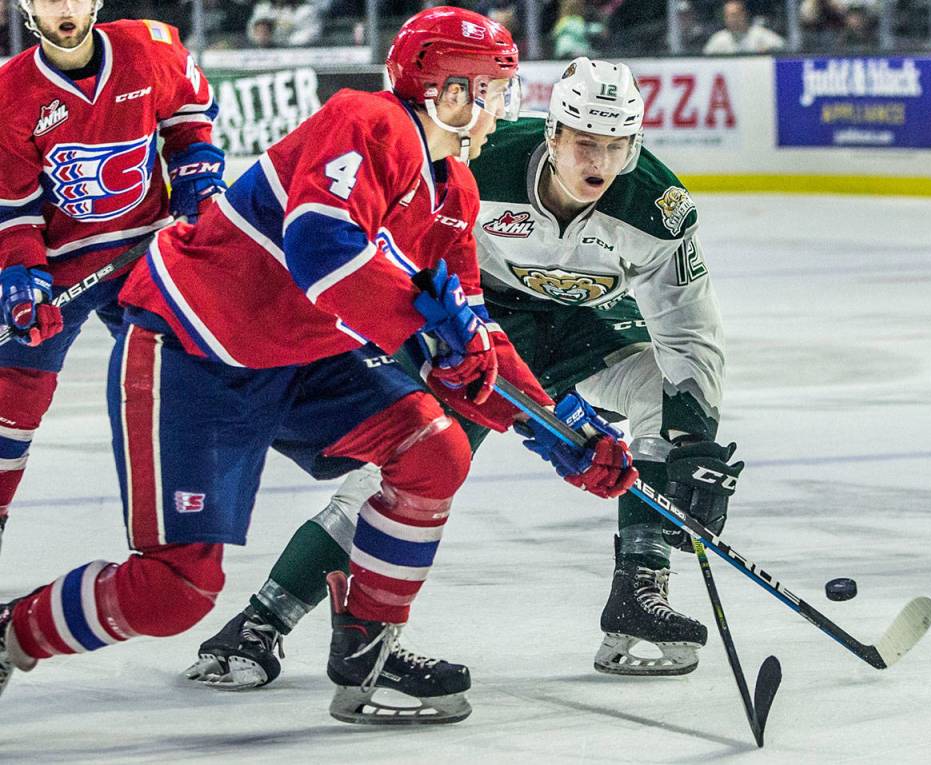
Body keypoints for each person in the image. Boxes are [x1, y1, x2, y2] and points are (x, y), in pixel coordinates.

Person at [0, 7, 637, 726]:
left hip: (305, 358)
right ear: (450, 92)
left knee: (435, 449)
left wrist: (559, 431)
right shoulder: (363, 120)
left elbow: (473, 340)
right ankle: (11, 635)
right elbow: (323, 251)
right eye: (495, 89)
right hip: (193, 349)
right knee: (174, 590)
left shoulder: (453, 192)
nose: (504, 107)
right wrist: (430, 326)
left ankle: (366, 650)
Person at [183, 57, 742, 691]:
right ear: (552, 133)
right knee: (414, 461)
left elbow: (689, 334)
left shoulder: (659, 210)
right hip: (476, 329)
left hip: (579, 330)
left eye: (617, 146)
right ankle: (260, 623)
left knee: (659, 386)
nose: (600, 162)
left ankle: (639, 595)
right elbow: (397, 250)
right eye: (585, 142)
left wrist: (691, 442)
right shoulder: (483, 159)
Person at [0, 0, 224, 555]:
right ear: (27, 8)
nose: (65, 8)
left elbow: (188, 117)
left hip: (145, 251)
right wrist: (22, 277)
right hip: (61, 265)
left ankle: (178, 535)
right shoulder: (10, 92)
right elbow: (15, 209)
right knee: (11, 402)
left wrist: (194, 170)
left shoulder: (148, 48)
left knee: (186, 377)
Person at [702, 0, 784, 54]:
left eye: (734, 15)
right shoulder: (719, 39)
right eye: (727, 16)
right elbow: (704, 59)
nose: (731, 20)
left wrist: (769, 52)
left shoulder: (759, 34)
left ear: (744, 15)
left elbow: (782, 47)